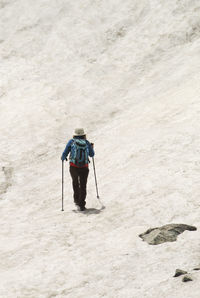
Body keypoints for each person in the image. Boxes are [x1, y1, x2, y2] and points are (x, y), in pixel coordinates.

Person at [61, 128, 95, 211]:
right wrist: (91, 147)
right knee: (83, 185)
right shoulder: (86, 142)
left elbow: (65, 153)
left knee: (75, 182)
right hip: (84, 166)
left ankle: (76, 200)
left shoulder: (71, 142)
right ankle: (82, 204)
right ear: (84, 135)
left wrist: (63, 158)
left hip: (73, 166)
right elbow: (92, 154)